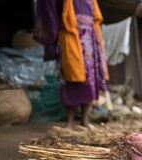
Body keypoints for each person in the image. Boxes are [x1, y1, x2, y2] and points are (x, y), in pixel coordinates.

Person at [33, 0, 109, 129]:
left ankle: (85, 120)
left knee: (90, 81)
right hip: (70, 40)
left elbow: (96, 18)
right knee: (69, 80)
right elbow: (49, 9)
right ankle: (69, 121)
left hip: (89, 42)